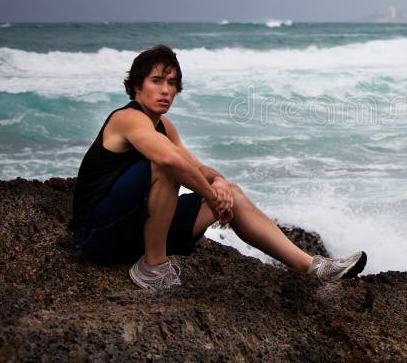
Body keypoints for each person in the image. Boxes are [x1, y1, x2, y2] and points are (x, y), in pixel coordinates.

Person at [70, 44, 367, 290]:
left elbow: (196, 167)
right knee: (165, 165)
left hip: (133, 229)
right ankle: (152, 268)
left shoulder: (165, 127)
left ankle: (313, 267)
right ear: (137, 86)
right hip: (99, 233)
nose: (166, 91)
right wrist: (211, 195)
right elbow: (171, 162)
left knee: (232, 192)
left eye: (172, 83)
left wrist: (220, 184)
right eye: (156, 81)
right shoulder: (127, 118)